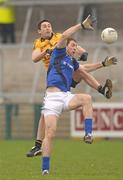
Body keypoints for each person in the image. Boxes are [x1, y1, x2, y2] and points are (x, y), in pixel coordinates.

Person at [26, 19, 117, 157]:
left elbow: (81, 52)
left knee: (80, 70)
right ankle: (38, 145)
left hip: (65, 71)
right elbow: (34, 58)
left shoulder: (59, 37)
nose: (47, 28)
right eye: (44, 26)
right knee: (44, 115)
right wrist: (47, 51)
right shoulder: (39, 43)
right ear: (39, 31)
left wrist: (81, 52)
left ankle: (101, 89)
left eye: (49, 25)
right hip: (55, 75)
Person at [41, 14, 104, 175]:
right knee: (50, 134)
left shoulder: (72, 62)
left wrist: (103, 65)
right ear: (66, 46)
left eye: (76, 47)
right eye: (73, 45)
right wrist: (81, 26)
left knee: (87, 98)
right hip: (52, 98)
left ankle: (88, 134)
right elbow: (64, 35)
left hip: (66, 96)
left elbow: (86, 71)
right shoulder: (59, 53)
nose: (75, 48)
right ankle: (45, 168)